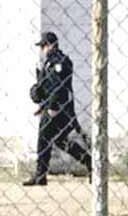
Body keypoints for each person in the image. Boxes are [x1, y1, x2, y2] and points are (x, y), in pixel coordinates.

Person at [23, 31, 92, 186]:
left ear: (50, 45)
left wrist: (52, 108)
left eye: (43, 46)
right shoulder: (49, 63)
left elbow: (59, 88)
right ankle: (89, 162)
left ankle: (40, 175)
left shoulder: (59, 62)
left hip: (59, 109)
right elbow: (48, 87)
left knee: (44, 139)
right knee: (60, 140)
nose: (42, 50)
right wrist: (42, 105)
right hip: (53, 108)